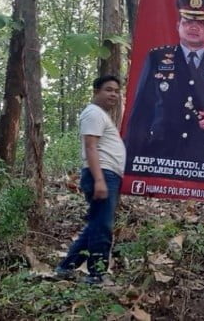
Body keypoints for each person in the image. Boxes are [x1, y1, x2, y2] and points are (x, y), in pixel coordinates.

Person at [125, 0, 204, 171]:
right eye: (188, 22)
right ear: (178, 25)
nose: (193, 27)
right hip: (160, 152)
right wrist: (130, 157)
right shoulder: (157, 58)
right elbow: (141, 109)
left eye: (200, 23)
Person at [55, 75, 126, 284]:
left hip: (107, 174)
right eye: (108, 89)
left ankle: (65, 267)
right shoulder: (93, 113)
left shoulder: (100, 115)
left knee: (96, 224)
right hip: (102, 173)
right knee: (102, 225)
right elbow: (91, 146)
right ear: (96, 91)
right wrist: (99, 180)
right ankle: (97, 274)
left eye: (116, 90)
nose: (113, 94)